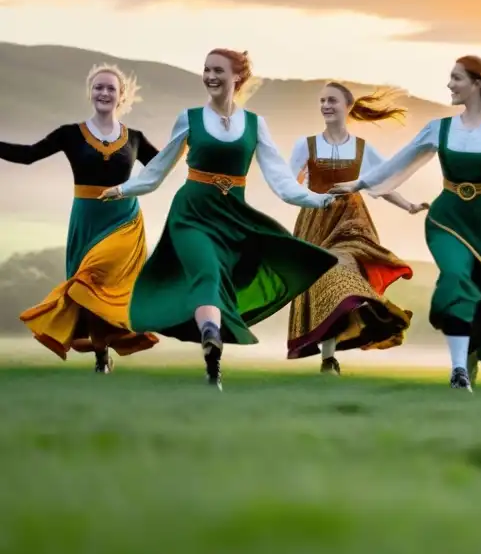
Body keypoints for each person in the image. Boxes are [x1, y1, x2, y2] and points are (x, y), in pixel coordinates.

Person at [100, 49, 339, 389]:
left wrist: (317, 199)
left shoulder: (256, 125)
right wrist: (123, 189)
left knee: (222, 278)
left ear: (237, 78)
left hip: (232, 217)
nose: (210, 76)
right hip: (192, 214)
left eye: (218, 71)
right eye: (206, 70)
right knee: (207, 273)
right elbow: (158, 169)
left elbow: (282, 181)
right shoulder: (190, 118)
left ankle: (213, 349)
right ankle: (211, 338)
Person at [331, 55, 481, 391]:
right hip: (447, 218)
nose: (449, 85)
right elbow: (399, 161)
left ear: (477, 83)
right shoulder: (439, 128)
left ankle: (468, 362)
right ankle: (457, 371)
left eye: (456, 78)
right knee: (456, 279)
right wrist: (358, 184)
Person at [0, 64, 160, 371]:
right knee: (87, 290)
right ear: (90, 92)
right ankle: (101, 353)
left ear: (121, 95)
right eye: (98, 87)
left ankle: (108, 348)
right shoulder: (70, 134)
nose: (104, 93)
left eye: (110, 88)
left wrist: (195, 145)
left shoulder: (135, 138)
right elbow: (28, 155)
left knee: (98, 280)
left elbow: (161, 165)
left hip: (123, 223)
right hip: (86, 222)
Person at [286, 82, 426, 372]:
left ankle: (376, 314)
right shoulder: (306, 145)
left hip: (352, 221)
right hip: (315, 222)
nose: (326, 105)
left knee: (341, 270)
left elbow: (383, 182)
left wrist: (408, 205)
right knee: (322, 285)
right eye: (322, 100)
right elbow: (288, 184)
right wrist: (309, 196)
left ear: (347, 106)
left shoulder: (362, 148)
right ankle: (330, 357)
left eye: (332, 100)